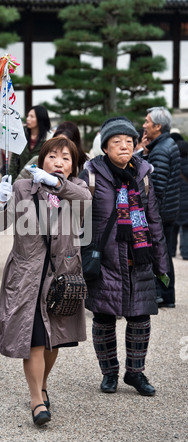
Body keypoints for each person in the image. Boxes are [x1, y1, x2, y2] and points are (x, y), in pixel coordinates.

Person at [0, 136, 91, 426]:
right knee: (32, 338)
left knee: (52, 340)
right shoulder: (22, 187)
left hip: (61, 275)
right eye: (52, 156)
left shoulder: (77, 189)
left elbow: (85, 202)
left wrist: (56, 184)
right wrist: (2, 199)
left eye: (66, 158)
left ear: (73, 166)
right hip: (26, 275)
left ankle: (42, 384)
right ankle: (36, 399)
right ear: (41, 159)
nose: (58, 162)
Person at [80, 117, 169, 396]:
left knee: (140, 317)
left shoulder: (143, 173)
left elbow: (153, 219)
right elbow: (78, 218)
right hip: (104, 258)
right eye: (116, 142)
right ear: (105, 147)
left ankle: (135, 372)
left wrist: (161, 263)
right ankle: (109, 374)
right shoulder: (92, 174)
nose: (124, 146)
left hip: (137, 258)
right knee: (104, 317)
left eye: (129, 141)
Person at [143, 106, 181, 308]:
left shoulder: (161, 150)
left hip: (161, 211)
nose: (144, 125)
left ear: (157, 126)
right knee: (164, 252)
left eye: (147, 122)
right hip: (170, 209)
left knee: (158, 253)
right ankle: (167, 296)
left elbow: (155, 187)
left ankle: (161, 294)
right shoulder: (166, 145)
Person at [16, 120, 88, 180]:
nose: (58, 164)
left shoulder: (84, 168)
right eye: (52, 157)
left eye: (65, 158)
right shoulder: (36, 161)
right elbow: (19, 185)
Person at [9, 105, 53, 181]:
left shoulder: (49, 139)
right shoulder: (21, 135)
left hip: (39, 181)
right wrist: (12, 180)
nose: (28, 119)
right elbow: (13, 160)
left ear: (40, 119)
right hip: (19, 180)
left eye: (32, 116)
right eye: (28, 116)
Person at [170, 140, 188, 259]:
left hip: (174, 199)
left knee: (173, 227)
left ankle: (171, 251)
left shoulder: (173, 164)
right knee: (186, 228)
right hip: (187, 200)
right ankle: (185, 252)